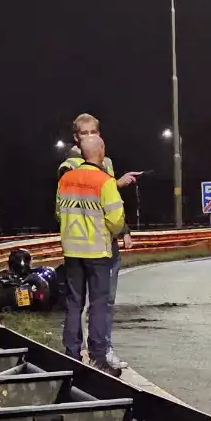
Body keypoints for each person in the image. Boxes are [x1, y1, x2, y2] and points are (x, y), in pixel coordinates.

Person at [59, 114, 141, 366]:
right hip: (98, 246)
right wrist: (118, 226)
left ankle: (76, 352)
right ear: (76, 137)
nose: (91, 137)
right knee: (99, 303)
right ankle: (99, 353)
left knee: (84, 303)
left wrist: (123, 230)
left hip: (75, 247)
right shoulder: (69, 167)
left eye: (94, 132)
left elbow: (63, 207)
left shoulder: (97, 167)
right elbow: (108, 202)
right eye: (85, 133)